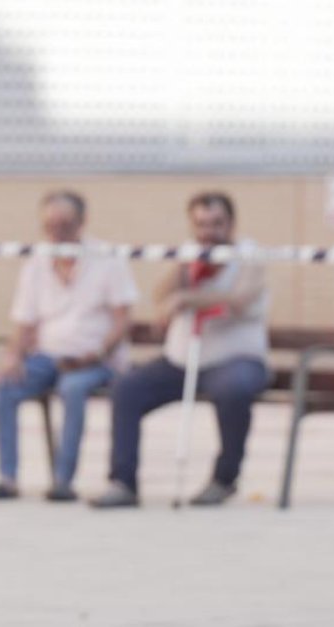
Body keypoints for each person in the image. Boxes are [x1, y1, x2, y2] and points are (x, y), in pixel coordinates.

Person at [90, 191, 268, 508]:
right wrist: (185, 269)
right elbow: (161, 297)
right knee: (126, 389)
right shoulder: (190, 256)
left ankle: (224, 479)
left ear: (231, 223)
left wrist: (187, 299)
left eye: (216, 224)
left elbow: (240, 300)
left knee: (234, 389)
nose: (209, 232)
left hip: (234, 359)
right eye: (200, 225)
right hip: (182, 360)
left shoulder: (248, 255)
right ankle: (123, 482)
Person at [0, 191, 139, 502]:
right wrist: (12, 357)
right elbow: (25, 322)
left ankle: (63, 481)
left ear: (82, 222)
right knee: (6, 385)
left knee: (72, 388)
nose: (58, 232)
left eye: (65, 224)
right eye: (50, 226)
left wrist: (98, 353)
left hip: (97, 359)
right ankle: (8, 478)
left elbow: (122, 319)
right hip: (48, 356)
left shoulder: (108, 259)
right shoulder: (35, 263)